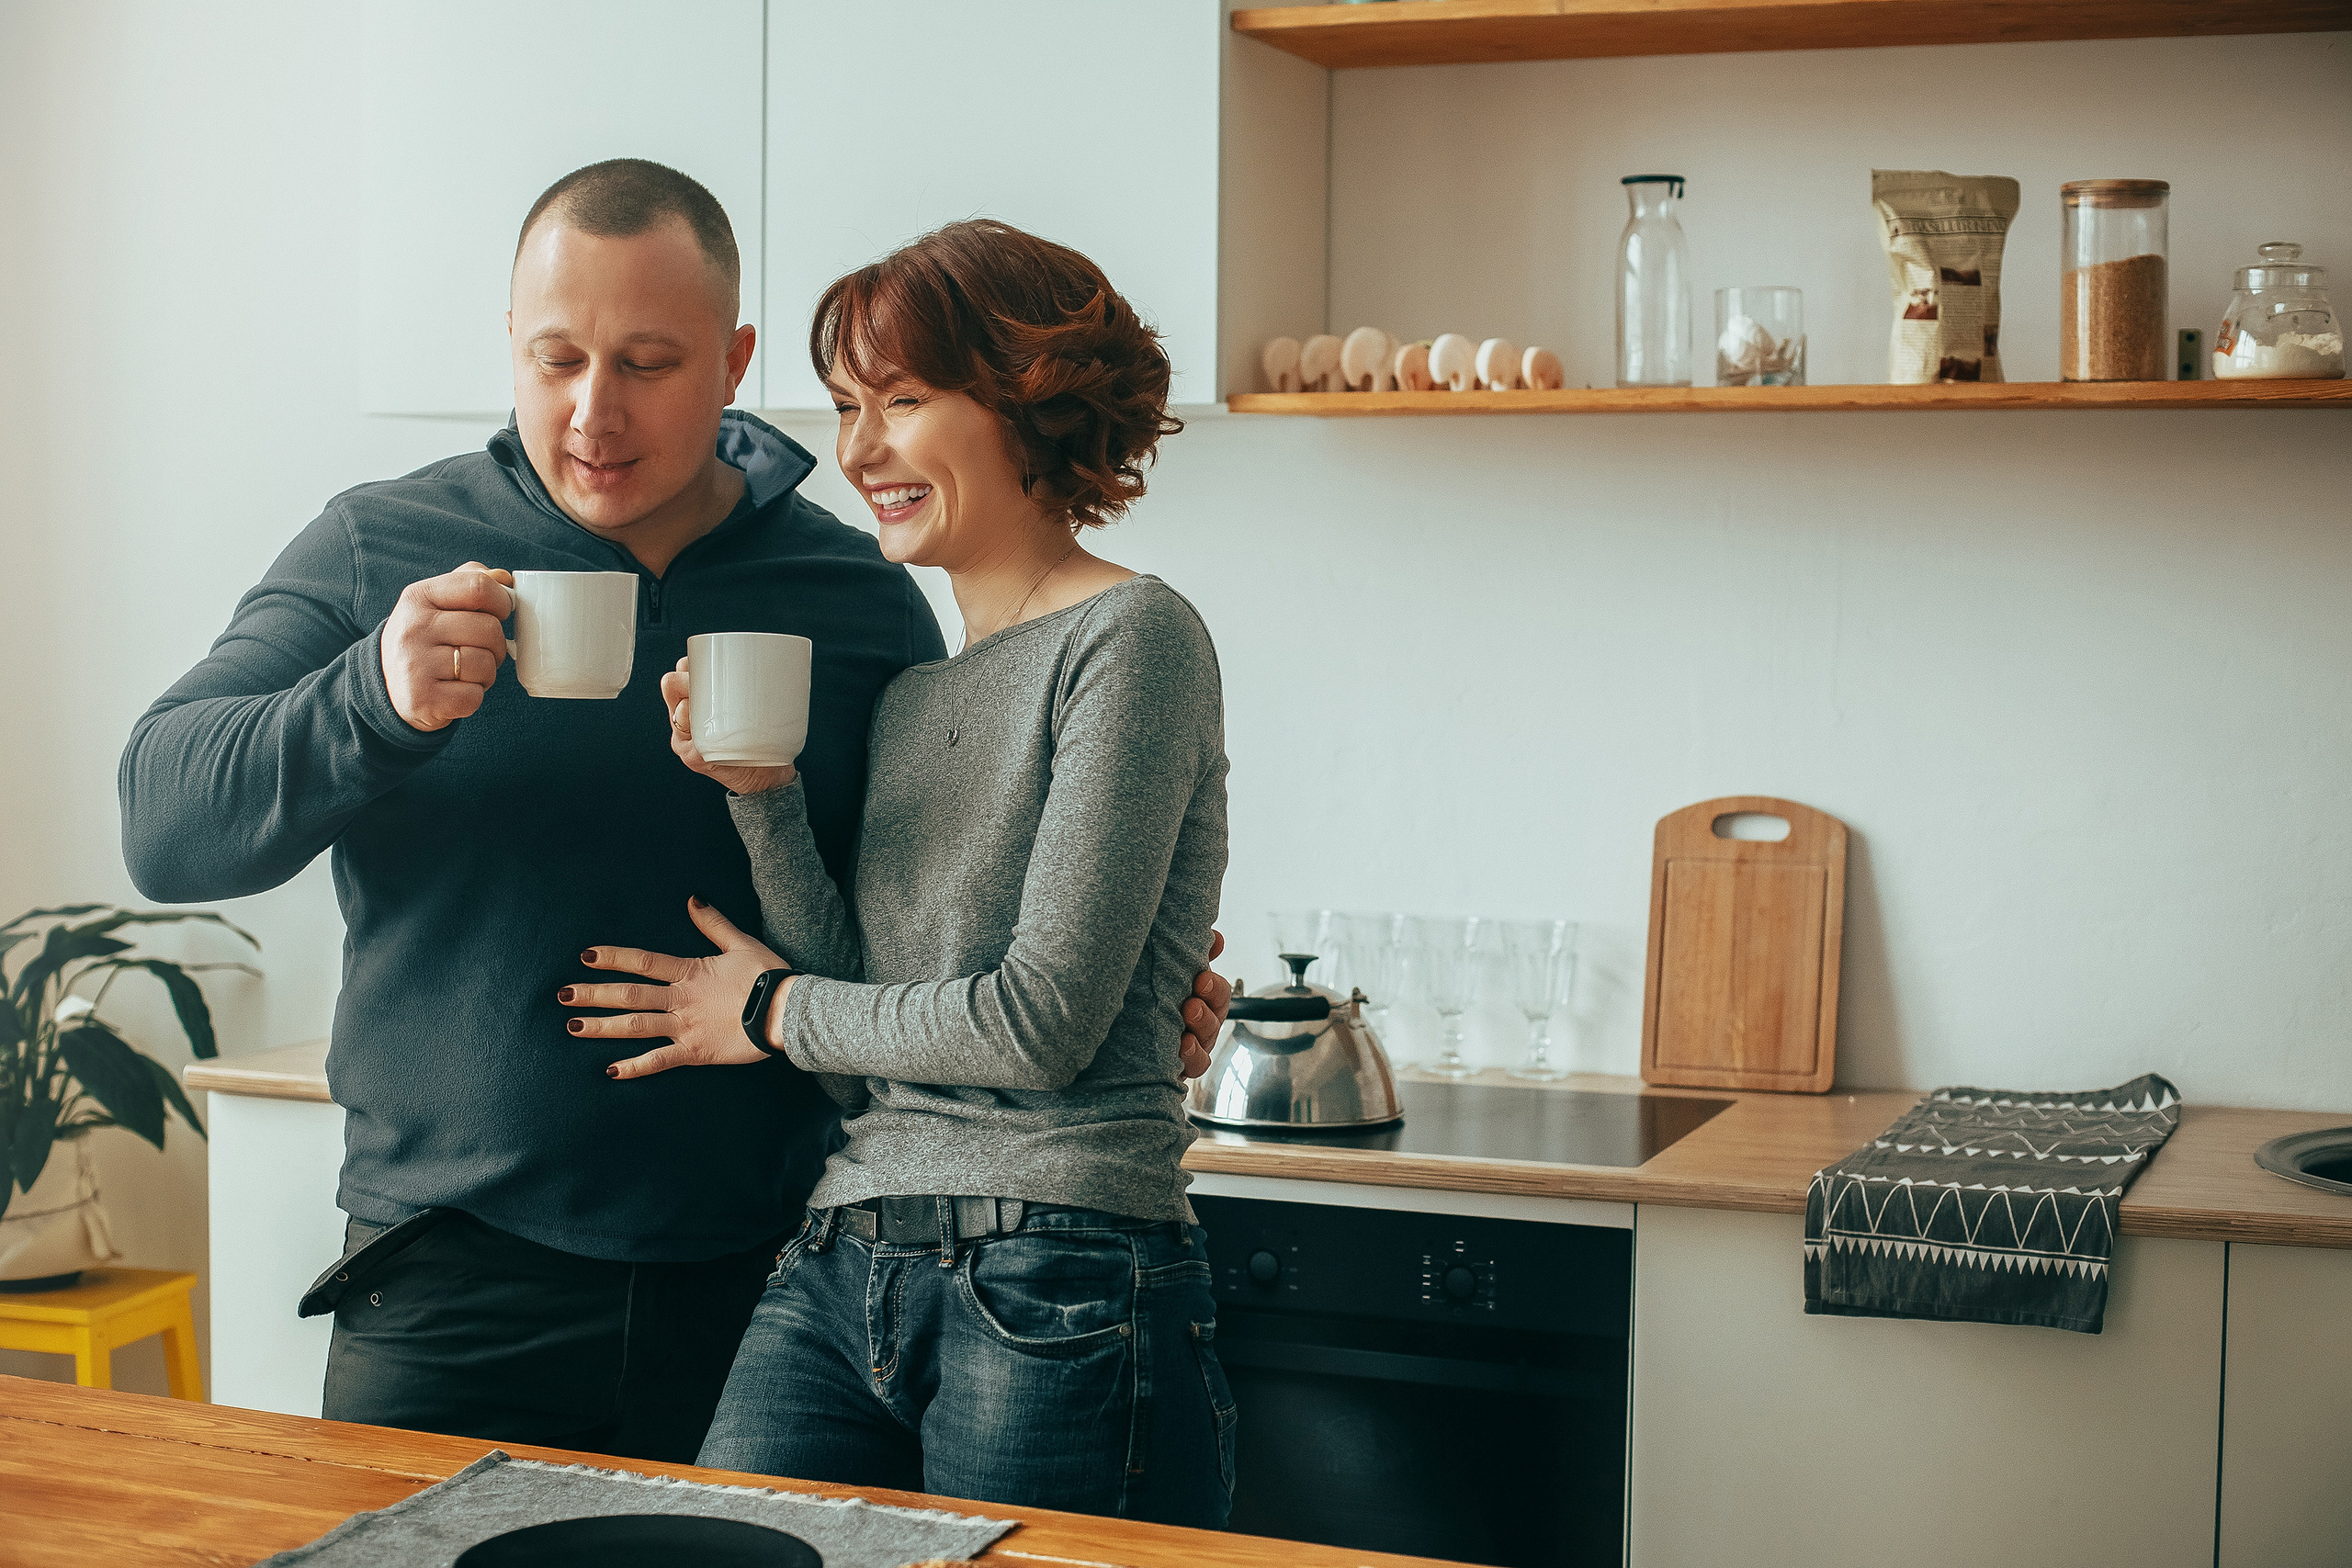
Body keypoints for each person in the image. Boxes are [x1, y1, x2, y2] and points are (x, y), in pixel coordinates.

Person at [118, 160, 1227, 1461]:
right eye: (557, 359)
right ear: (512, 351)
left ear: (734, 360)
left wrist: (1142, 993)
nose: (595, 411)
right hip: (450, 1287)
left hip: (784, 1293)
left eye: (647, 362)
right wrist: (369, 697)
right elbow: (164, 820)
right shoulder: (385, 548)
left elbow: (930, 912)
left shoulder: (861, 590)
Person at [560, 220, 1236, 1525]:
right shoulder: (920, 692)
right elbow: (867, 1024)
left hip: (1061, 1261)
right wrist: (761, 798)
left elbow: (1036, 1027)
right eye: (846, 408)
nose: (857, 452)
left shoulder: (1133, 636)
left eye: (904, 403)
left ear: (1029, 400)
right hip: (842, 1252)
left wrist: (757, 1013)